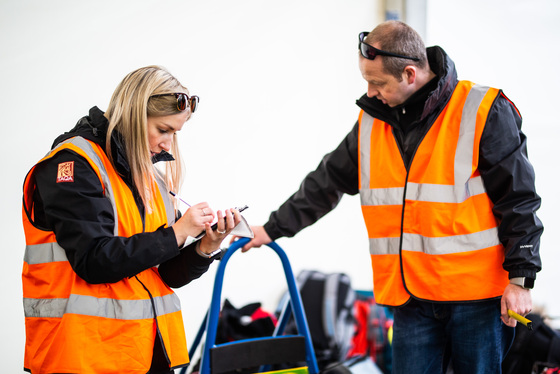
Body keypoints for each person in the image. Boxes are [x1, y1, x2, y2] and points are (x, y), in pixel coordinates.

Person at [236, 21, 543, 373]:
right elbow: (326, 182)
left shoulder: (482, 110)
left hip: (475, 299)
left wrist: (521, 280)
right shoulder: (372, 122)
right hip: (410, 298)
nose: (369, 93)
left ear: (410, 74)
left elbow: (519, 199)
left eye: (377, 82)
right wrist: (271, 229)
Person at [21, 65, 242, 374]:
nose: (168, 145)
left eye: (175, 134)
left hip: (143, 354)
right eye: (163, 130)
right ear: (135, 116)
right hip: (83, 357)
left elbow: (163, 275)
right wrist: (178, 232)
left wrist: (204, 246)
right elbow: (94, 261)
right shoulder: (73, 165)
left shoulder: (150, 177)